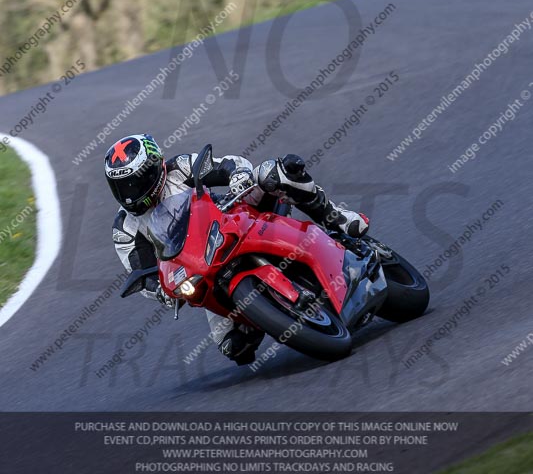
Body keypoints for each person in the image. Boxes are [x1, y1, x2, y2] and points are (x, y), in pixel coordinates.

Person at [106, 134, 369, 365]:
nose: (130, 193)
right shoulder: (125, 228)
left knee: (272, 173)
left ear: (155, 168)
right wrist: (160, 291)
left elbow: (228, 164)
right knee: (235, 347)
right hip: (201, 265)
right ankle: (267, 312)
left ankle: (337, 217)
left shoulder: (180, 167)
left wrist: (238, 176)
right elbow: (142, 272)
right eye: (121, 186)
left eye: (135, 182)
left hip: (231, 216)